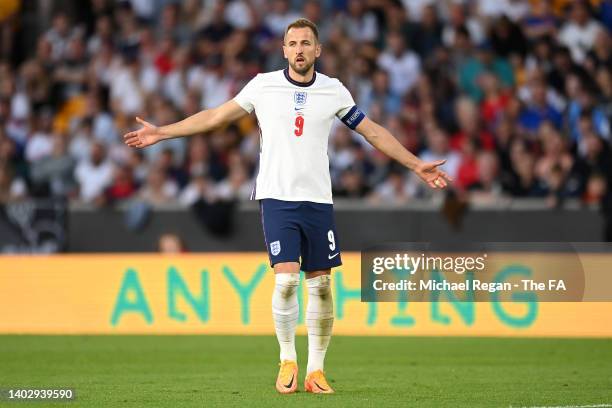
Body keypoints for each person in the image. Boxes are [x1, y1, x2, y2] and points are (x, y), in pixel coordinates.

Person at [123, 18, 451, 395]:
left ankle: (316, 371)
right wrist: (163, 132)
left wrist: (415, 164)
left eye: (305, 43)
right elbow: (215, 117)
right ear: (283, 49)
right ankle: (286, 359)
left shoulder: (334, 91)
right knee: (285, 281)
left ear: (317, 50)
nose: (299, 49)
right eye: (292, 43)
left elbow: (372, 131)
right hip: (277, 197)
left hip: (317, 200)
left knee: (323, 287)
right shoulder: (263, 86)